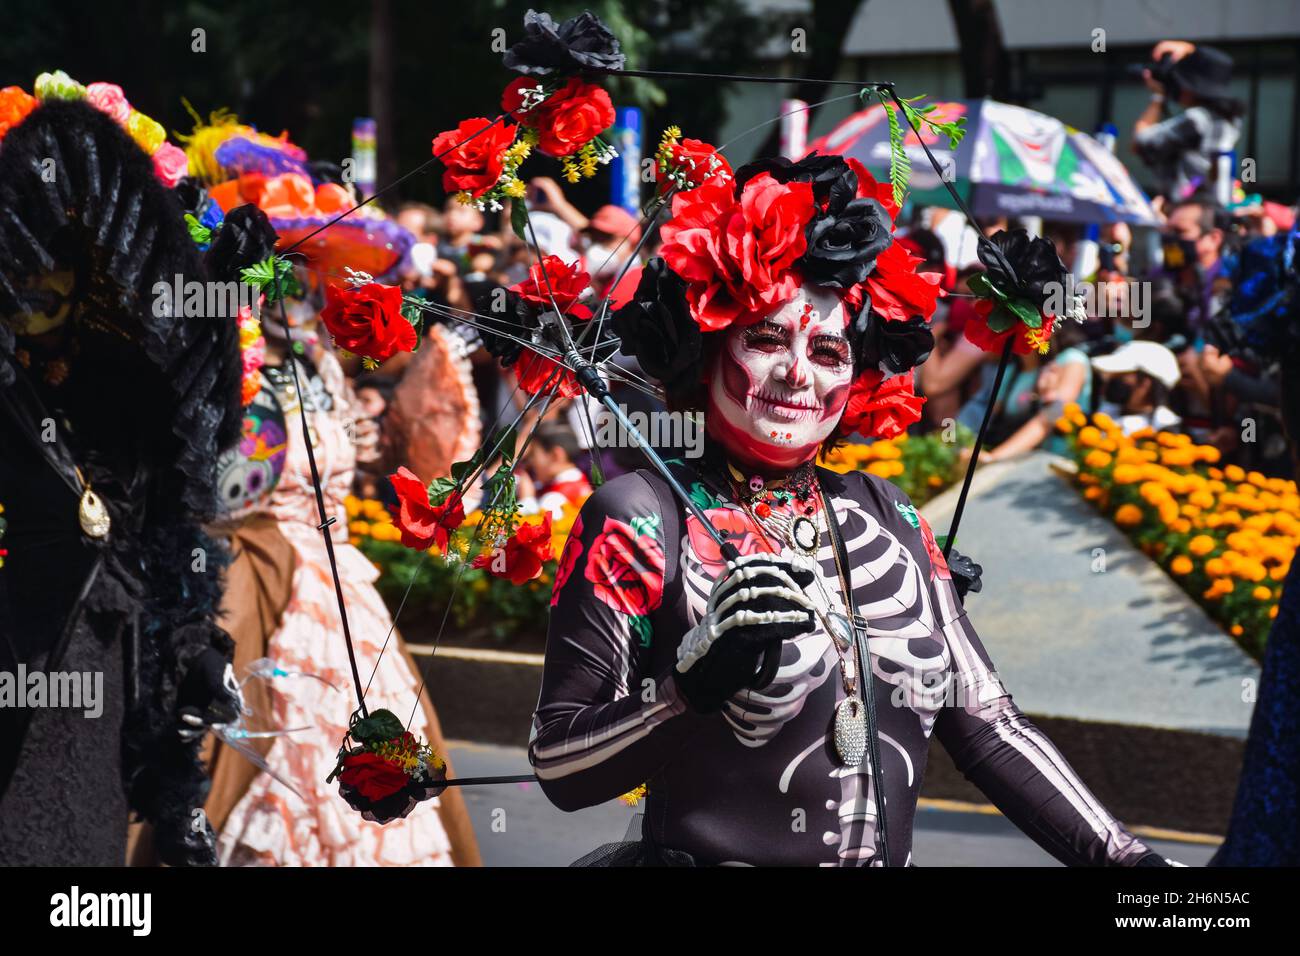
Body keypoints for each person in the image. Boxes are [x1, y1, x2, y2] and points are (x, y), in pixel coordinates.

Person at [525, 153, 1174, 866]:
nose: (798, 372)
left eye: (829, 349)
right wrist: (689, 689)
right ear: (704, 353)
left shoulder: (889, 515)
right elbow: (560, 763)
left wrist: (1129, 862)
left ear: (858, 374)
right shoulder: (640, 515)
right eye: (767, 338)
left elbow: (989, 726)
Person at [182, 119, 481, 866]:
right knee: (222, 764)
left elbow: (421, 446)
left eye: (310, 265)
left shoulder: (320, 363)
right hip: (244, 586)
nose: (297, 284)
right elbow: (202, 482)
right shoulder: (222, 360)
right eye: (278, 263)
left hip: (344, 597)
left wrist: (439, 342)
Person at [0, 79, 243, 865]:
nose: (43, 285)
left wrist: (193, 655)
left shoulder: (117, 390)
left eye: (64, 266)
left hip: (91, 699)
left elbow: (163, 529)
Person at [1133, 41, 1243, 204]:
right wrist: (1188, 50)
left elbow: (1140, 141)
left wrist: (1158, 96)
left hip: (1188, 212)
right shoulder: (1230, 120)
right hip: (1210, 212)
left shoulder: (1197, 120)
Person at [1091, 340, 1183, 434]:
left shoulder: (1165, 428)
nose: (1111, 378)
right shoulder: (1105, 413)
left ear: (1146, 383)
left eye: (1121, 374)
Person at [525, 422, 592, 519]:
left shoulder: (553, 500)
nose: (530, 462)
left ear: (556, 455)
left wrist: (526, 500)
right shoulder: (582, 481)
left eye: (533, 455)